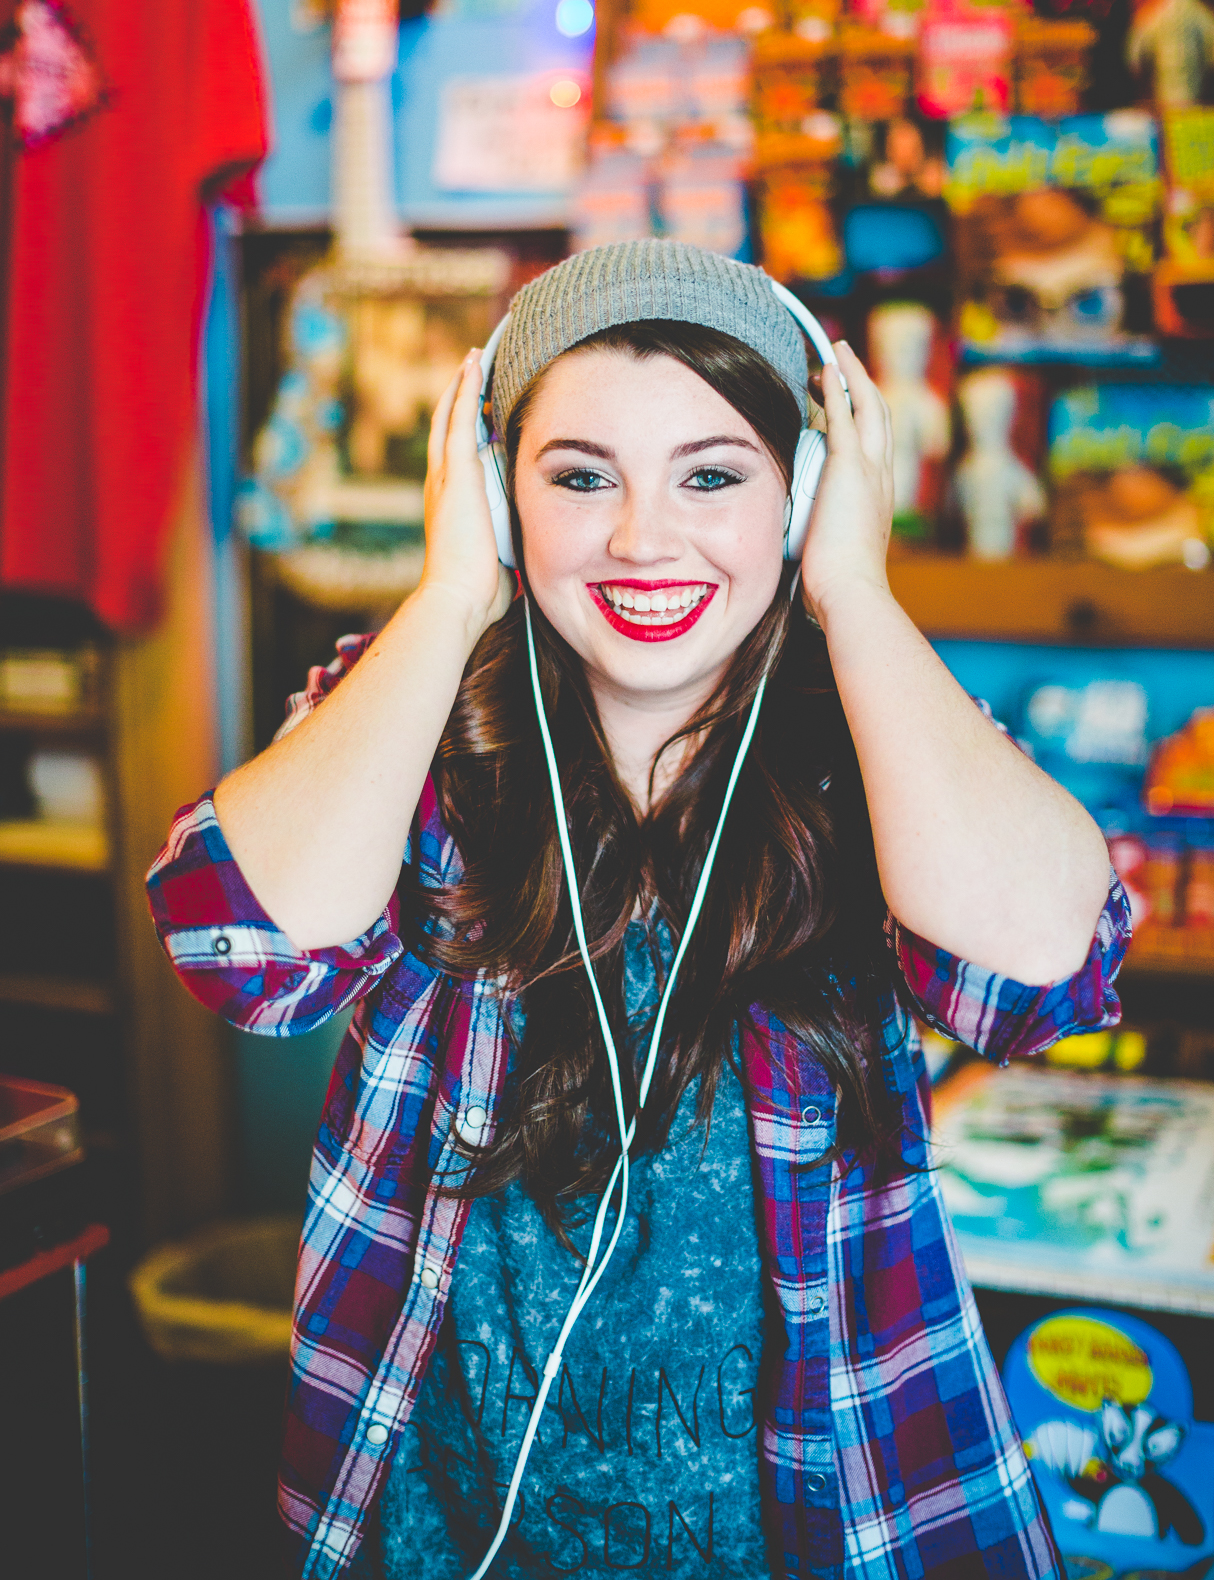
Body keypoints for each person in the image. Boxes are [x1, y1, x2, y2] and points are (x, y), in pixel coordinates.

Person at [148, 241, 1126, 1580]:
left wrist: (859, 594)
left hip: (823, 1529)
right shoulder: (415, 723)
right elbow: (242, 953)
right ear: (498, 497)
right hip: (456, 1528)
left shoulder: (881, 746)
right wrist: (448, 597)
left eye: (713, 476)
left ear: (804, 500)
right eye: (579, 476)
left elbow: (1041, 978)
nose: (640, 539)